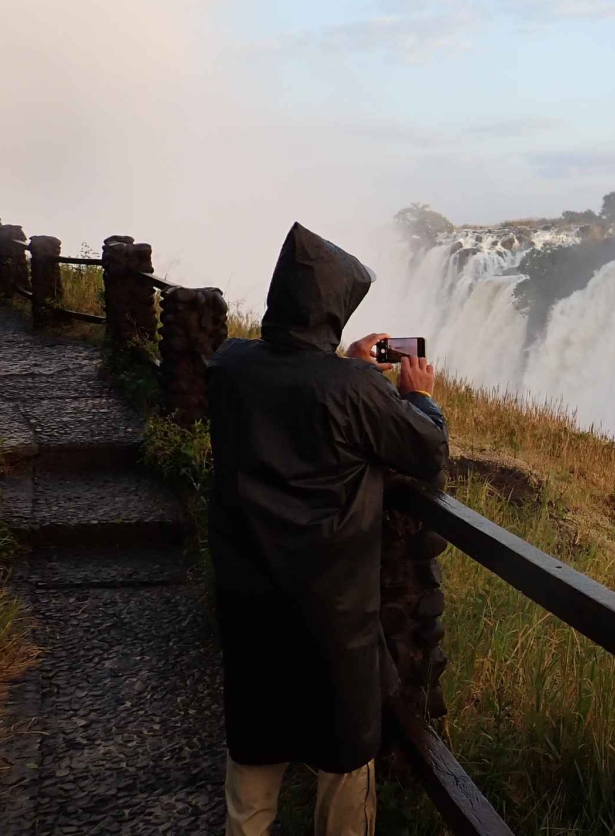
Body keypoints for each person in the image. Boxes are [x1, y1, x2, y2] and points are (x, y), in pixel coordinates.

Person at [206, 223, 448, 836]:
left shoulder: (230, 366)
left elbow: (288, 380)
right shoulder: (355, 389)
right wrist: (416, 397)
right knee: (343, 759)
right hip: (333, 608)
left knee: (253, 756)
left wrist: (339, 364)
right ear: (334, 312)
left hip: (249, 599)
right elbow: (426, 450)